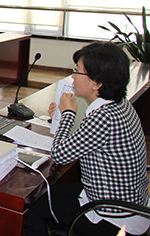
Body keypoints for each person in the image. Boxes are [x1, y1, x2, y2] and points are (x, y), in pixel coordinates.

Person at [27, 42, 149, 236]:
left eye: (77, 71)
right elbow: (86, 139)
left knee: (33, 206)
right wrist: (59, 117)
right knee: (47, 193)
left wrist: (68, 114)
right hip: (128, 202)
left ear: (97, 83)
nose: (73, 76)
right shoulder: (119, 105)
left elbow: (59, 155)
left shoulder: (103, 117)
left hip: (111, 215)